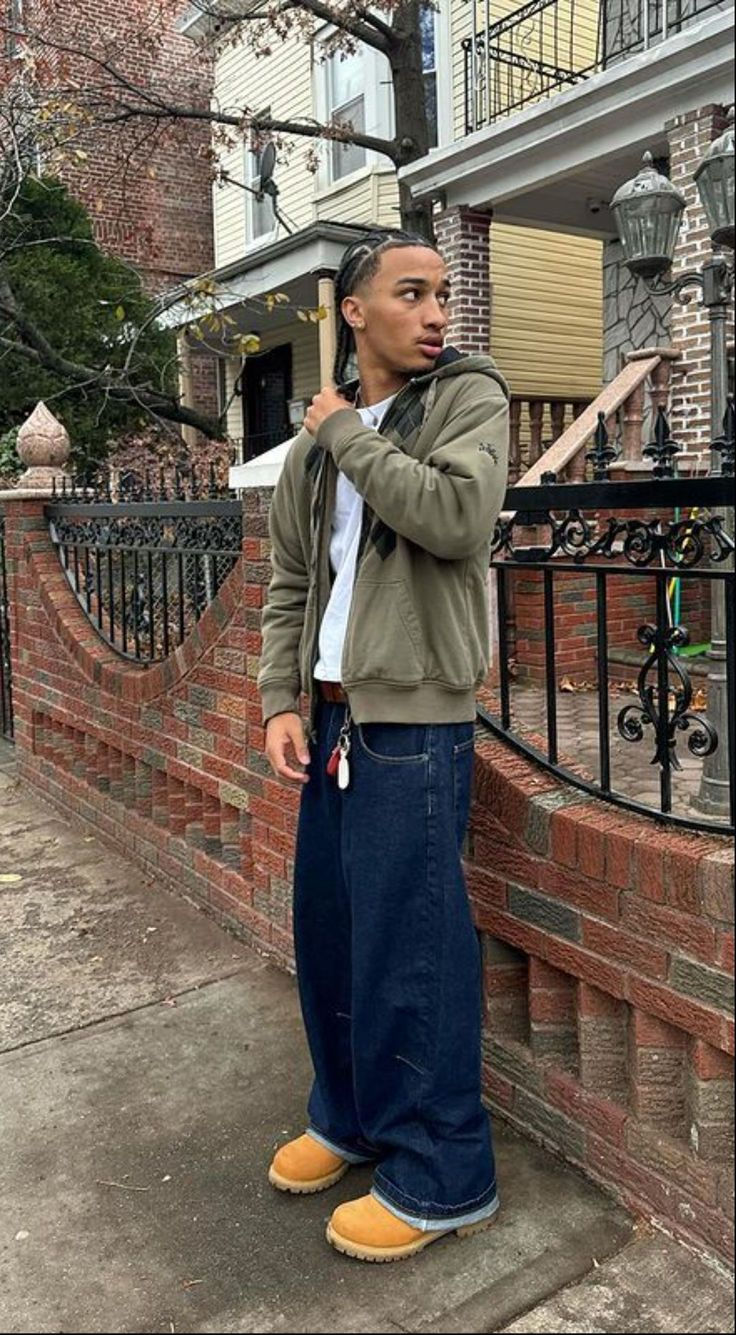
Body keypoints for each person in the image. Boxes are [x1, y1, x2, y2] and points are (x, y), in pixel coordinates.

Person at [258, 227, 510, 1263]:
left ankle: (444, 1176)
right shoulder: (320, 442)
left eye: (442, 293)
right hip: (331, 719)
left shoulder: (467, 397)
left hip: (415, 720)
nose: (438, 311)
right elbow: (287, 579)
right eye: (412, 292)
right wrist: (280, 696)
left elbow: (456, 515)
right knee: (331, 933)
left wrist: (346, 432)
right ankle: (352, 1120)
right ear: (353, 311)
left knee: (413, 948)